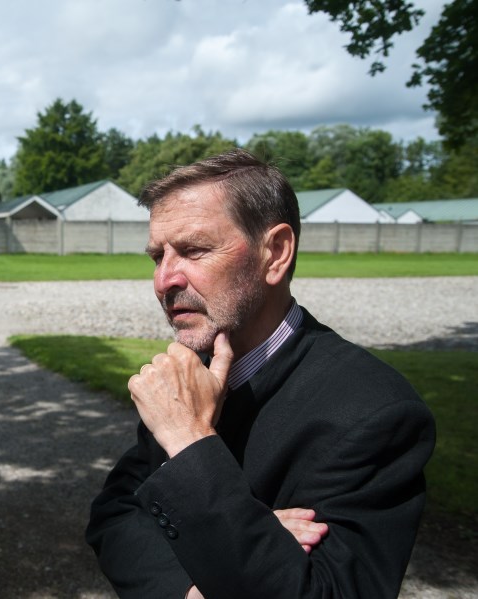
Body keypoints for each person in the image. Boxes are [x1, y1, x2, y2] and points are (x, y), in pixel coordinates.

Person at [85, 149, 435, 599]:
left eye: (194, 250)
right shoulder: (192, 373)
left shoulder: (375, 412)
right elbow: (114, 515)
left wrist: (190, 441)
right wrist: (201, 582)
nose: (164, 280)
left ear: (275, 252)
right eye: (158, 256)